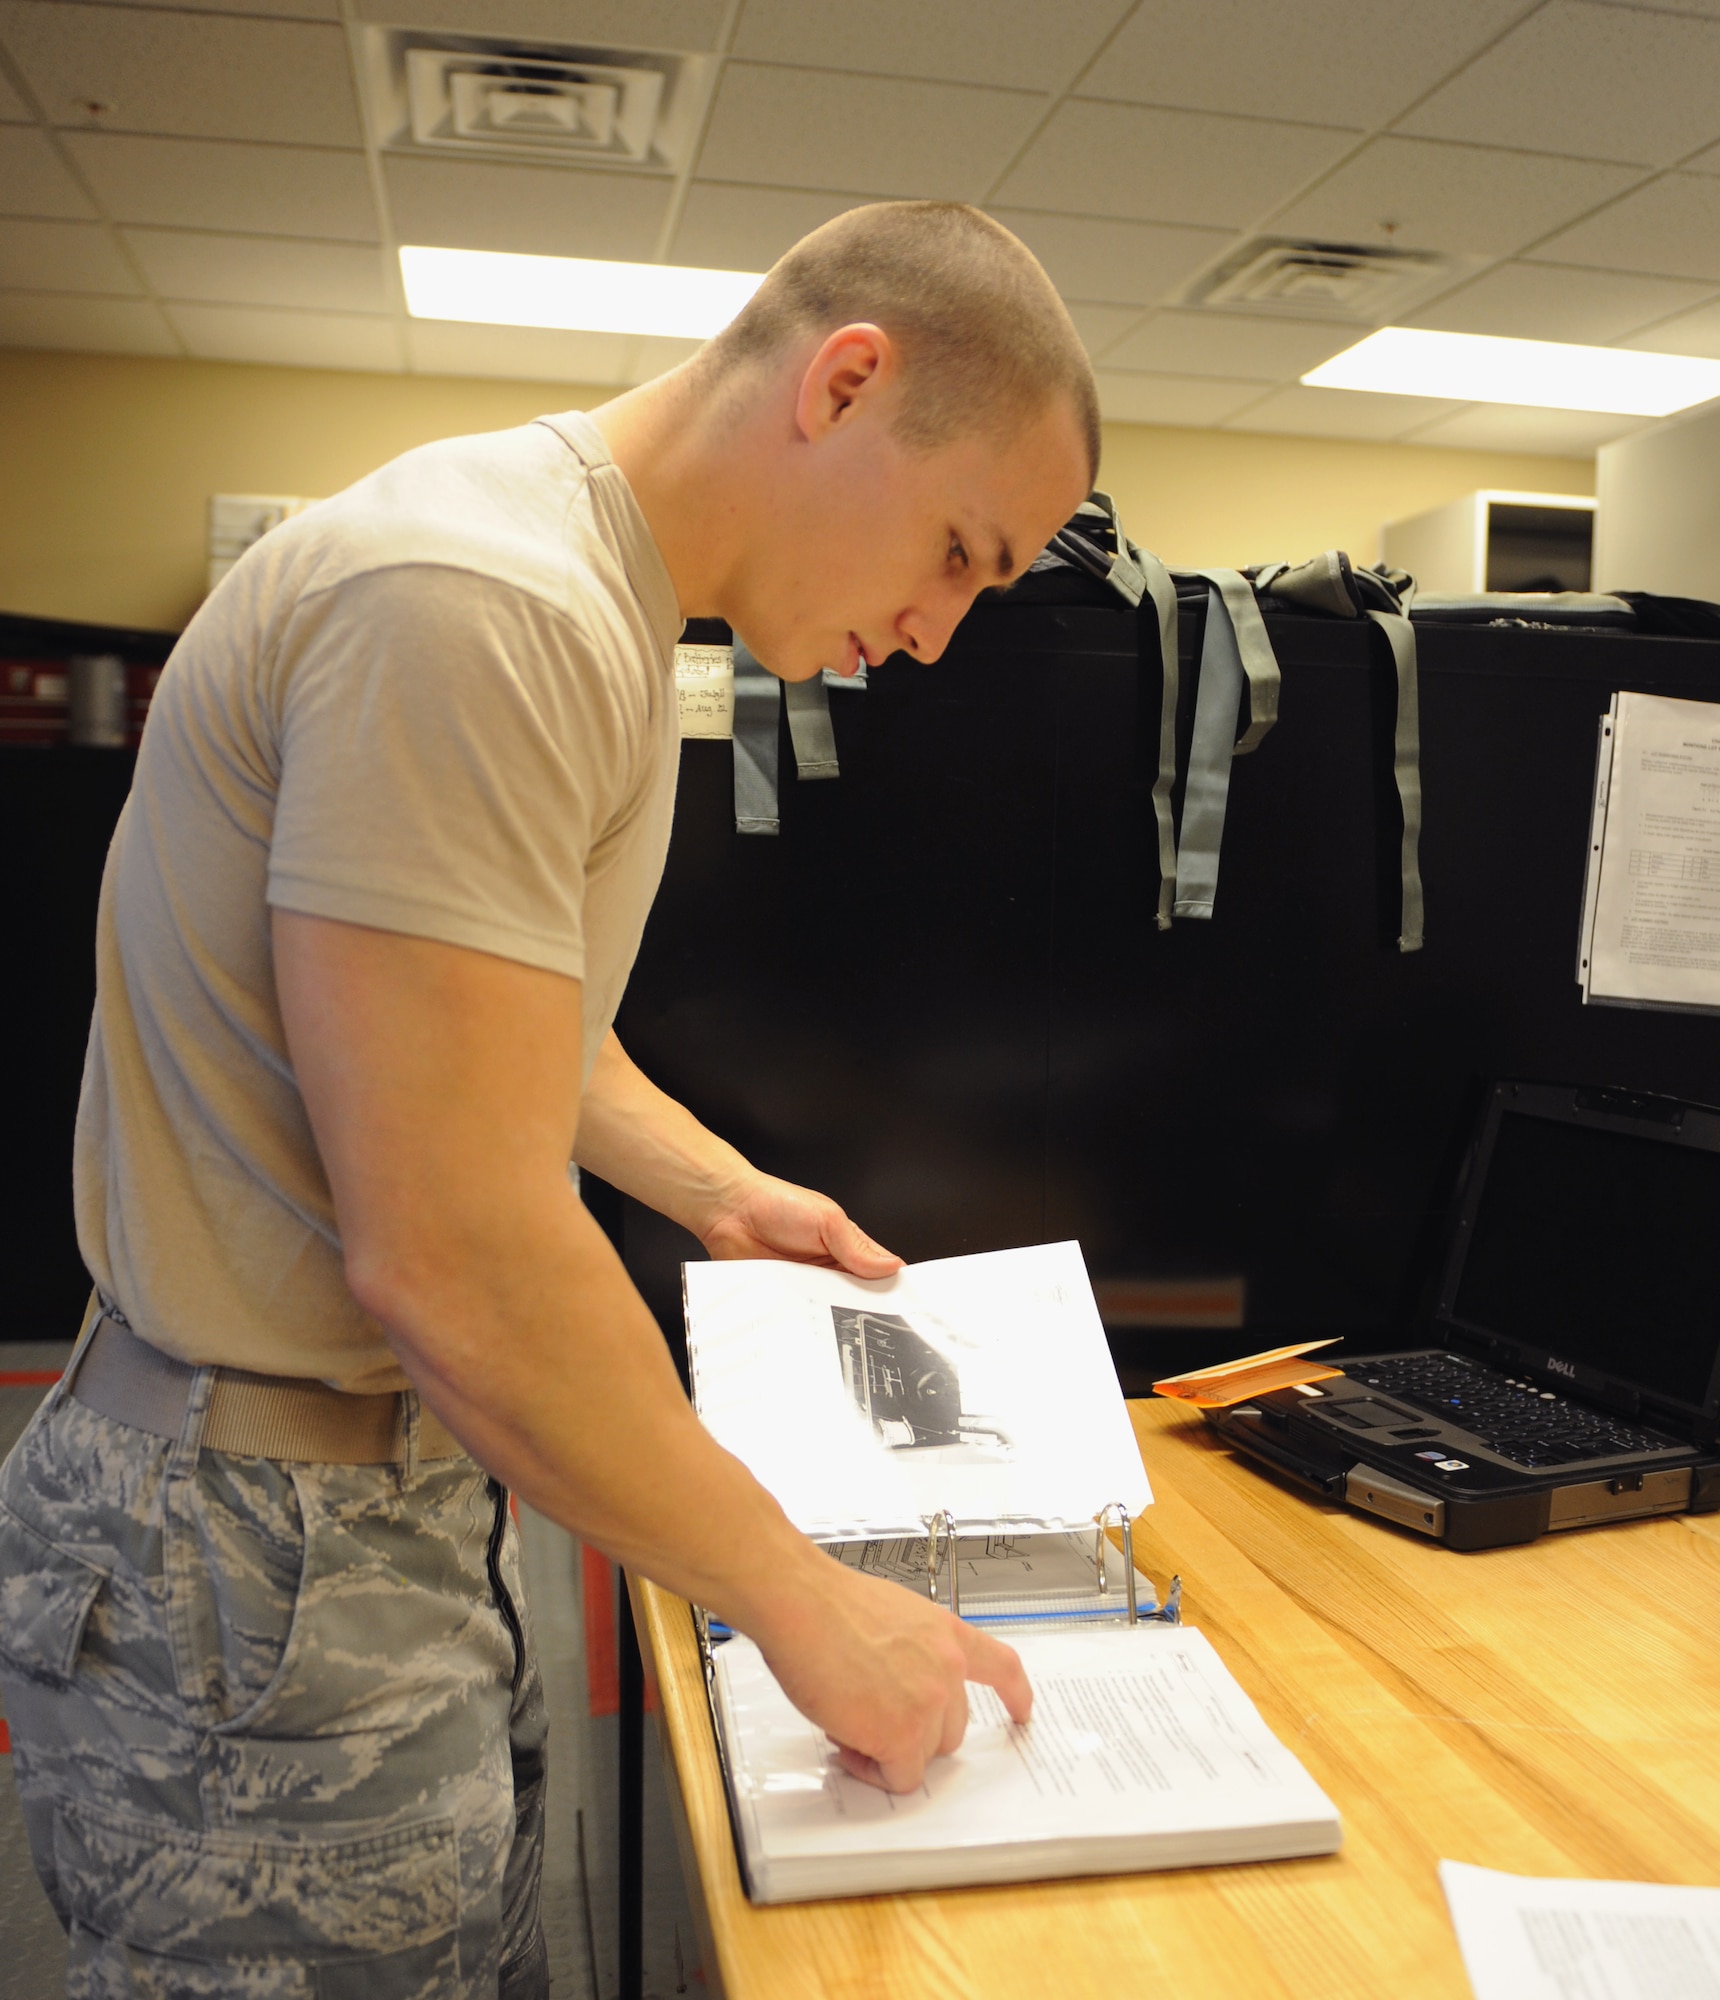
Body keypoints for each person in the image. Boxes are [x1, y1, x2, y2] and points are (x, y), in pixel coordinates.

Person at [0, 200, 1097, 1996]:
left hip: (364, 1503)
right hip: (254, 1546)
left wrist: (720, 1189)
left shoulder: (580, 593)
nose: (936, 635)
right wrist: (810, 1609)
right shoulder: (480, 603)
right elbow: (453, 1251)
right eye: (963, 552)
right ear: (844, 384)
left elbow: (492, 1025)